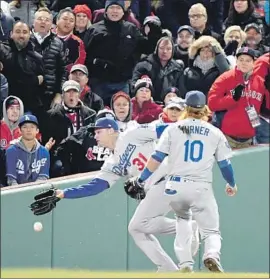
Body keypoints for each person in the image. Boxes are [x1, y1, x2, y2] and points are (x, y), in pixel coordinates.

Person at [32, 116, 200, 272]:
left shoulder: (131, 134)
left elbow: (164, 129)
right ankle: (174, 254)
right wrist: (62, 193)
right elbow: (95, 186)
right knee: (138, 229)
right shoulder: (113, 162)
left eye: (99, 131)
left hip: (168, 178)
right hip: (157, 189)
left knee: (137, 226)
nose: (95, 136)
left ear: (111, 130)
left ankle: (170, 263)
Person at [127, 91, 237, 273]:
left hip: (174, 186)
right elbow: (225, 165)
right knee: (211, 231)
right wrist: (231, 183)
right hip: (200, 186)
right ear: (205, 110)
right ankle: (211, 254)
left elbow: (157, 157)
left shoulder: (173, 129)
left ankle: (185, 264)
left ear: (186, 108)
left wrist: (141, 179)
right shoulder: (214, 132)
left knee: (183, 220)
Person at [6, 114, 50, 186]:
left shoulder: (44, 152)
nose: (28, 130)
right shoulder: (11, 150)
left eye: (32, 127)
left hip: (37, 191)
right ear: (19, 130)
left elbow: (43, 177)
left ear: (37, 130)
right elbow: (11, 180)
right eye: (25, 127)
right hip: (16, 192)